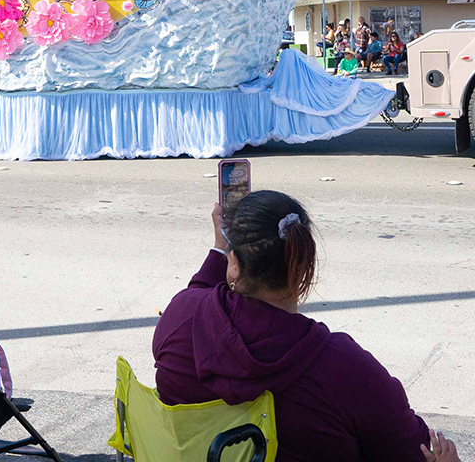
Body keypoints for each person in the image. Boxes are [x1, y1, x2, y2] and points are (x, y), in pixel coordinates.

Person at [152, 192, 456, 462]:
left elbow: (198, 295)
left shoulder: (182, 318)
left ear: (234, 265)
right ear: (303, 266)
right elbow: (412, 449)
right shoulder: (345, 367)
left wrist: (222, 252)